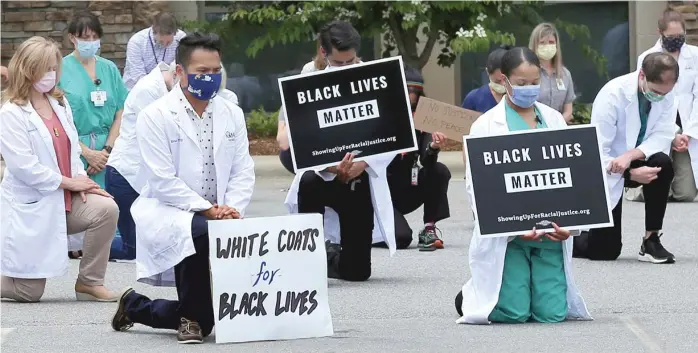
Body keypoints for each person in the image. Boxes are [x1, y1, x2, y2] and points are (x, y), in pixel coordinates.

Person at [110, 32, 255, 344]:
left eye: (216, 71)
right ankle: (190, 317)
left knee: (209, 317)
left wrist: (231, 208)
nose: (211, 79)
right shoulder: (156, 115)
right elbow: (162, 181)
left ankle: (140, 307)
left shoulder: (232, 112)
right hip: (170, 209)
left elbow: (243, 170)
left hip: (221, 210)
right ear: (180, 72)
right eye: (202, 72)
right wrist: (208, 209)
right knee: (197, 229)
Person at [455, 47, 591, 324]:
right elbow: (477, 187)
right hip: (510, 237)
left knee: (551, 314)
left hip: (550, 234)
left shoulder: (553, 119)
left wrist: (572, 224)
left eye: (534, 83)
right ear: (503, 81)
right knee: (514, 314)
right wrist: (513, 227)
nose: (529, 89)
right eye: (521, 84)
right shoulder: (486, 125)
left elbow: (573, 177)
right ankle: (470, 296)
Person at [0, 36, 119, 302]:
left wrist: (82, 180)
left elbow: (72, 148)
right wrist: (69, 183)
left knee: (106, 209)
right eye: (45, 69)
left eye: (54, 68)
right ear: (27, 69)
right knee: (28, 293)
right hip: (33, 205)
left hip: (64, 200)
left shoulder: (59, 103)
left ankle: (89, 282)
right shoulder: (11, 113)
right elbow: (24, 168)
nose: (51, 75)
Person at [284, 20, 396, 281]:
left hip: (358, 176)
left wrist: (364, 164)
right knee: (310, 180)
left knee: (358, 273)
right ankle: (308, 259)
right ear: (324, 53)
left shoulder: (375, 78)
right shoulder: (308, 77)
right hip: (322, 176)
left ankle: (330, 258)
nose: (346, 69)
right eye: (339, 63)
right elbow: (303, 136)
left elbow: (392, 133)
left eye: (351, 62)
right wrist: (329, 166)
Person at [573, 52, 678, 264]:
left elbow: (663, 135)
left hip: (636, 156)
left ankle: (651, 239)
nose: (660, 97)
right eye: (656, 91)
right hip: (606, 167)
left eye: (665, 93)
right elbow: (597, 152)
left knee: (663, 164)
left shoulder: (667, 95)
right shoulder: (612, 95)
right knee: (605, 251)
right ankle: (569, 238)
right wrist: (629, 172)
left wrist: (631, 157)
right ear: (642, 76)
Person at [58, 11, 128, 259]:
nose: (90, 41)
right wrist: (86, 152)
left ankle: (110, 246)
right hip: (75, 146)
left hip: (109, 147)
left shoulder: (108, 69)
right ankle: (76, 244)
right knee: (83, 199)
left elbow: (121, 109)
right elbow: (56, 116)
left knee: (110, 199)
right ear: (72, 38)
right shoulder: (61, 69)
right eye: (84, 37)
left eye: (94, 36)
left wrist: (107, 150)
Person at [105, 62, 177, 261]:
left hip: (141, 176)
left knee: (152, 243)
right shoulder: (148, 91)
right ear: (177, 73)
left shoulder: (163, 87)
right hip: (127, 176)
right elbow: (162, 135)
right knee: (134, 249)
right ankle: (85, 246)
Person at [378, 66, 451, 250]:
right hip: (383, 190)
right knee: (401, 238)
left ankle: (429, 228)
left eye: (416, 91)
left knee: (440, 171)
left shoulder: (423, 117)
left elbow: (427, 161)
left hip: (408, 184)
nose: (412, 95)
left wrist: (433, 147)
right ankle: (369, 229)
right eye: (407, 90)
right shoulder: (382, 114)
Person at [629, 9, 698, 203]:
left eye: (680, 36)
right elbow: (645, 94)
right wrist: (672, 133)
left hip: (688, 127)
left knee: (686, 194)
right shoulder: (647, 57)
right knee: (659, 189)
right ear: (660, 33)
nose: (676, 40)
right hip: (658, 122)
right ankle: (636, 188)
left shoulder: (695, 56)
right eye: (671, 36)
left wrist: (688, 133)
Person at [123, 12, 186, 90]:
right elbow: (138, 77)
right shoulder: (136, 42)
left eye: (169, 42)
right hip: (137, 90)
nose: (165, 44)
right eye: (162, 42)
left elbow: (183, 68)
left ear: (175, 33)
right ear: (154, 32)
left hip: (170, 89)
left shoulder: (181, 38)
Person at [528, 23, 576, 123]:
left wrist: (556, 124)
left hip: (559, 129)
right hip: (534, 127)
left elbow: (568, 110)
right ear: (535, 45)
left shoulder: (565, 74)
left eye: (551, 42)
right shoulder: (527, 74)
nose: (547, 46)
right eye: (542, 43)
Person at [461, 46, 510, 113]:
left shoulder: (519, 98)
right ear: (487, 72)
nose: (502, 84)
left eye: (505, 80)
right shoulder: (474, 98)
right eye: (497, 81)